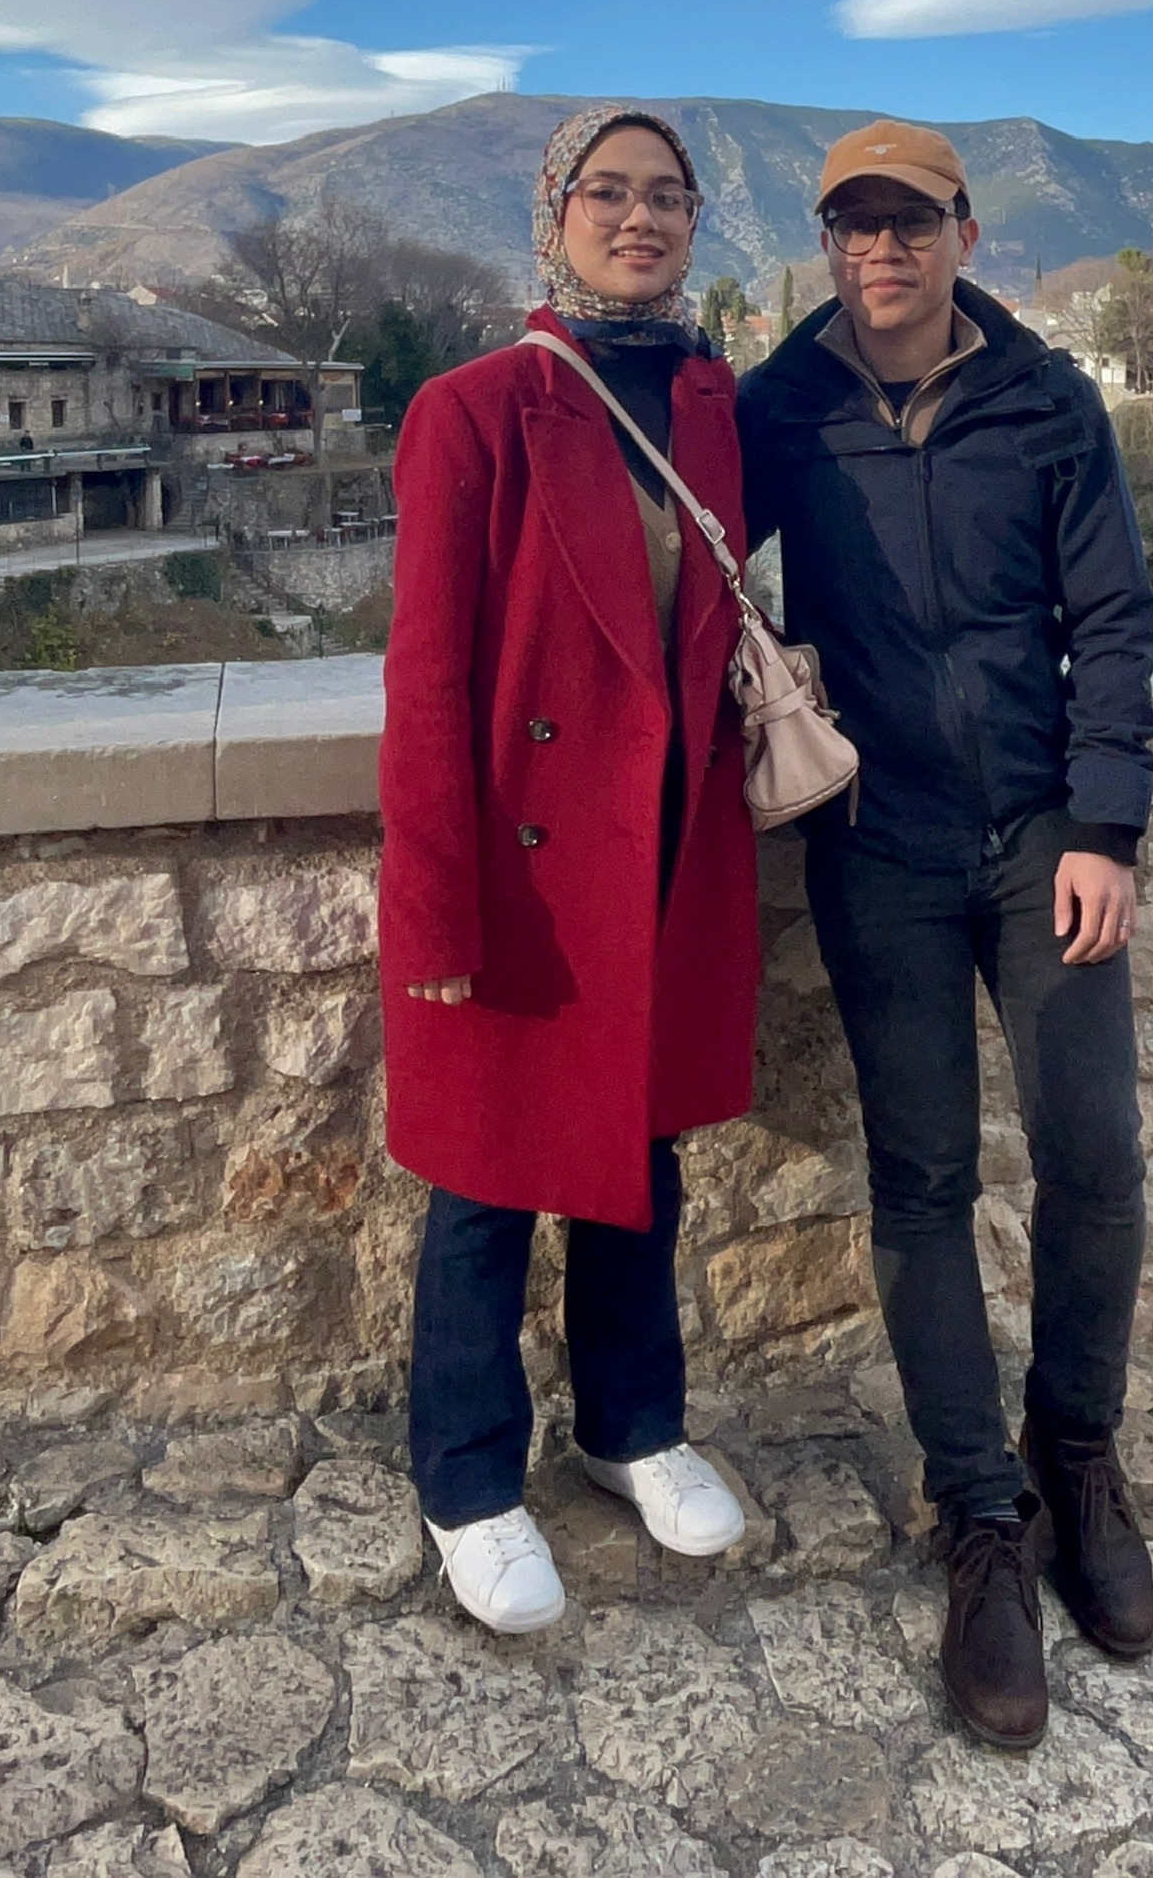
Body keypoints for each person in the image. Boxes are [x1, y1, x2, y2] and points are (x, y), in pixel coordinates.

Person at [737, 119, 1153, 1751]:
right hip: (878, 839)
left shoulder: (1047, 401)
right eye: (855, 225)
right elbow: (681, 548)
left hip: (1042, 831)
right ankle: (980, 1516)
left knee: (1094, 1153)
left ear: (964, 236)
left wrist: (1106, 825)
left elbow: (1110, 617)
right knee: (922, 1178)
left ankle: (1077, 1455)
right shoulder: (785, 404)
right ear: (828, 244)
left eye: (911, 222)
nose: (883, 251)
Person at [379, 103, 761, 1634]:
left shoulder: (714, 406)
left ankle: (630, 1425)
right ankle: (469, 1480)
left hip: (665, 850)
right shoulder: (473, 409)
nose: (639, 216)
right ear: (555, 216)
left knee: (637, 1162)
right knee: (486, 1183)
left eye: (667, 194)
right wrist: (433, 909)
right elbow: (425, 680)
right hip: (527, 865)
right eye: (608, 190)